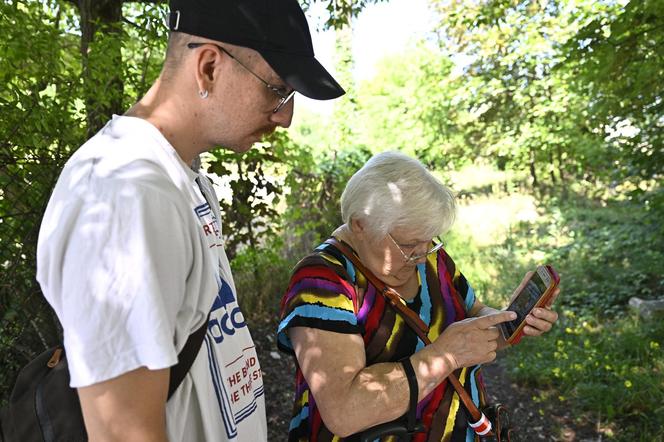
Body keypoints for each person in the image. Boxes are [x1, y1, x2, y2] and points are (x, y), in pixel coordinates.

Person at [36, 0, 344, 441]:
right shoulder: (127, 192)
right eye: (277, 89)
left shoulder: (181, 177)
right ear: (209, 67)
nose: (286, 117)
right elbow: (123, 433)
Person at [277, 151, 559, 440]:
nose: (423, 257)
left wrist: (511, 319)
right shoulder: (323, 281)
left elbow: (474, 317)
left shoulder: (431, 257)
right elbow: (344, 412)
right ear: (359, 224)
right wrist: (444, 355)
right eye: (410, 244)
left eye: (429, 241)